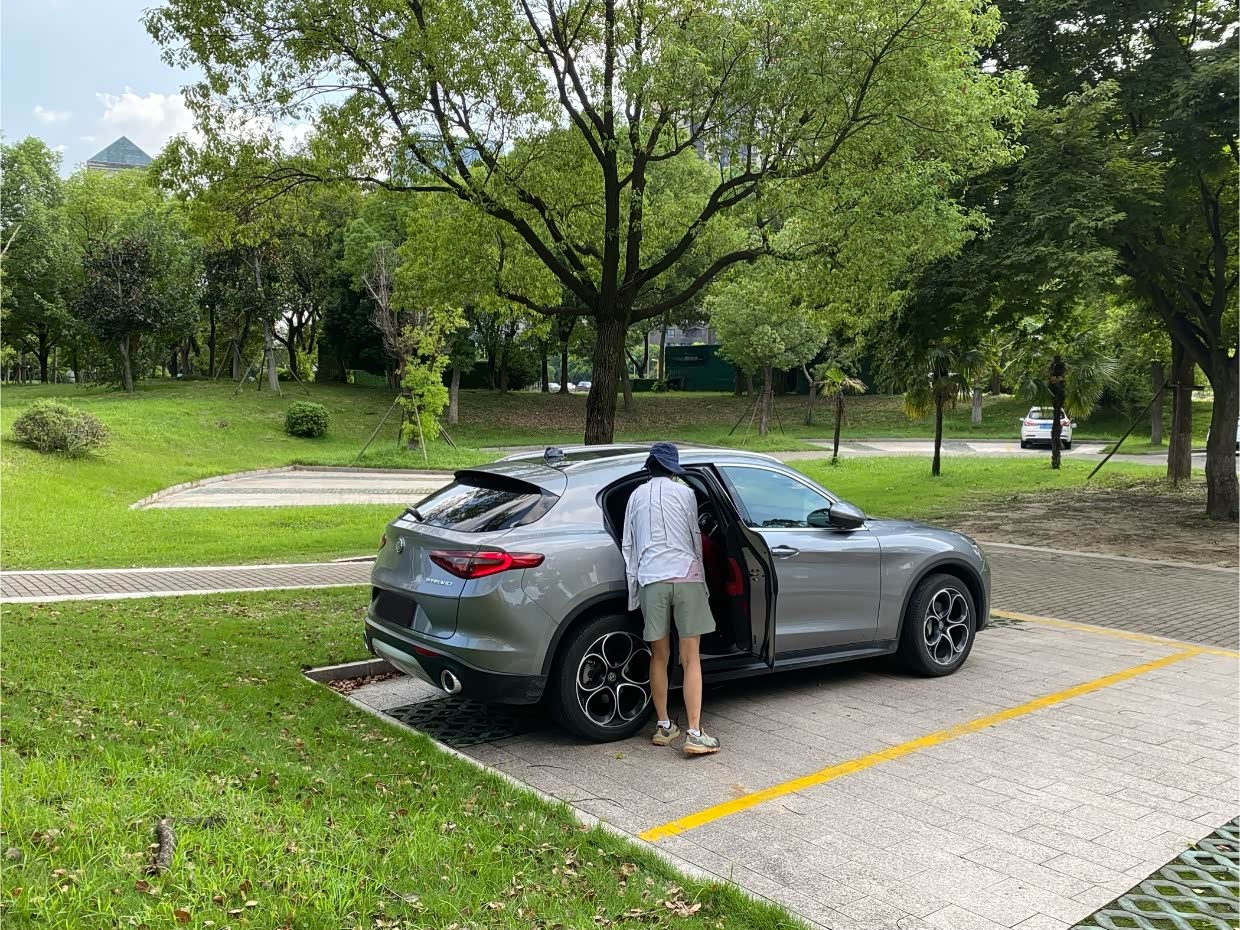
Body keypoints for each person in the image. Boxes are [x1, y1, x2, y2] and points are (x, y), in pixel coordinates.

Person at [621, 442, 721, 756]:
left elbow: (628, 545)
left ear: (650, 468)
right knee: (691, 658)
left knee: (659, 656)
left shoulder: (635, 496)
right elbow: (694, 536)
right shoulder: (687, 494)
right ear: (673, 470)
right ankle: (695, 733)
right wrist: (702, 581)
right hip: (687, 575)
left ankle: (663, 726)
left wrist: (634, 591)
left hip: (652, 579)